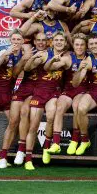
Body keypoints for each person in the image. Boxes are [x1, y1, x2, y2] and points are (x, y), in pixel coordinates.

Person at [0, 32, 48, 168]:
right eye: (38, 40)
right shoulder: (26, 52)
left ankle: (21, 149)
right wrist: (25, 58)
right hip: (23, 87)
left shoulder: (50, 54)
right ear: (34, 42)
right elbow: (15, 73)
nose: (41, 42)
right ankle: (2, 155)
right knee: (13, 121)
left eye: (44, 40)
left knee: (25, 112)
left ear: (47, 42)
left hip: (36, 89)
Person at [23, 31, 66, 170]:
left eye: (61, 40)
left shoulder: (67, 57)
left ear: (65, 43)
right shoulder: (44, 54)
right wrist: (32, 58)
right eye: (56, 40)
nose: (59, 42)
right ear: (51, 42)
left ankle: (47, 146)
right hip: (40, 93)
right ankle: (28, 159)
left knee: (51, 117)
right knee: (33, 126)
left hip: (53, 93)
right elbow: (27, 68)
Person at [45, 33, 89, 155]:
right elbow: (49, 68)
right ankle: (56, 143)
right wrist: (52, 60)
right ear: (73, 46)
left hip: (82, 90)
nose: (79, 47)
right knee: (59, 107)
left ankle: (75, 140)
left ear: (86, 46)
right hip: (69, 90)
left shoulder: (90, 58)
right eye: (77, 45)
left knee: (76, 106)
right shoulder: (68, 58)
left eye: (82, 45)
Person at [0, 29, 30, 133]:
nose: (16, 42)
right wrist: (4, 55)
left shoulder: (23, 55)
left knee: (14, 123)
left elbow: (18, 73)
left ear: (23, 41)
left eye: (18, 39)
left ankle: (14, 148)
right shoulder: (4, 52)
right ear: (10, 40)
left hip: (9, 95)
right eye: (13, 39)